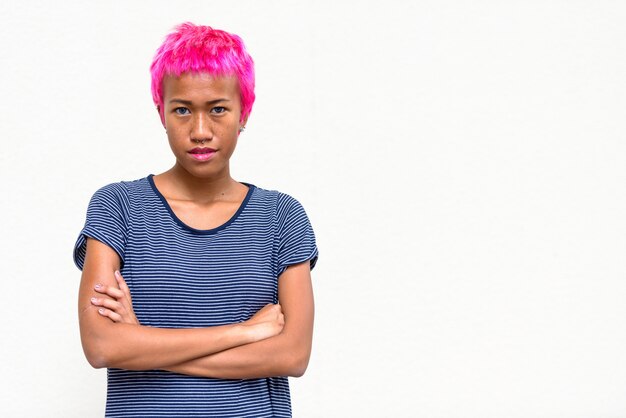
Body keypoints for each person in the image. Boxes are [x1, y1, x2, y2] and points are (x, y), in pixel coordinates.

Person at [73, 22, 319, 417]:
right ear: (162, 113)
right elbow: (102, 346)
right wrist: (243, 333)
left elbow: (293, 355)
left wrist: (141, 344)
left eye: (218, 109)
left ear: (245, 111)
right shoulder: (117, 207)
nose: (200, 131)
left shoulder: (281, 217)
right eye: (182, 110)